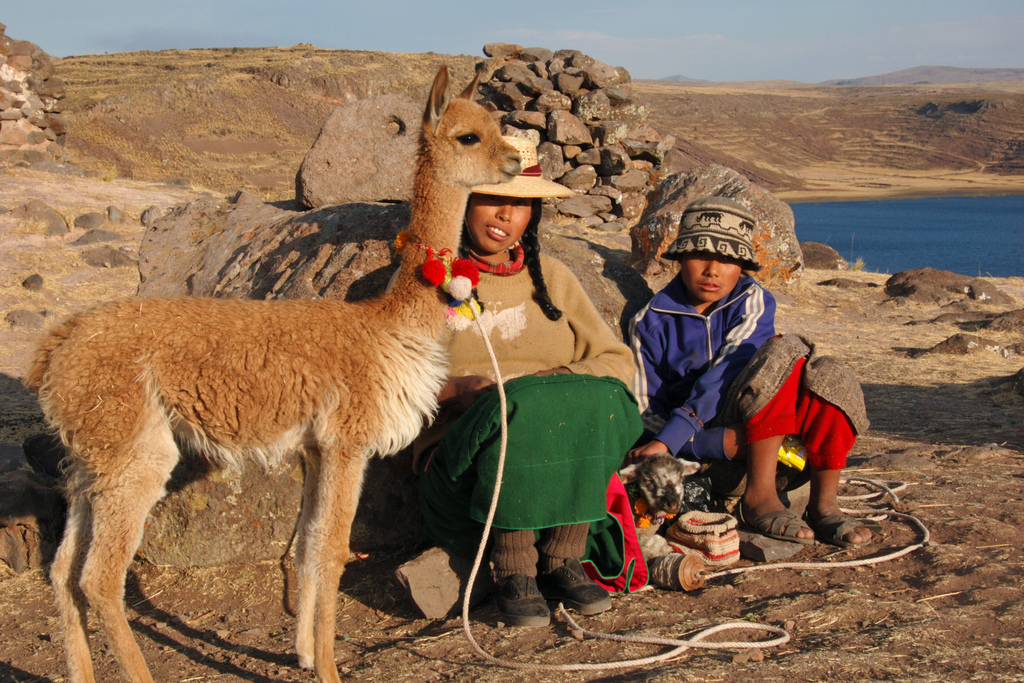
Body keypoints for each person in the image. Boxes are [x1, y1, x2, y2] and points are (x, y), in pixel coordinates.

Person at [416, 137, 642, 627]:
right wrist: (459, 391)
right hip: (463, 477)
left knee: (597, 398)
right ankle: (514, 567)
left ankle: (563, 555)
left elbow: (616, 361)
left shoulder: (553, 279)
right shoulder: (432, 282)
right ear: (465, 200)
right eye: (494, 197)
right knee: (525, 406)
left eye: (520, 204)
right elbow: (390, 376)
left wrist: (554, 379)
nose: (506, 215)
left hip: (557, 461)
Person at [627, 196, 876, 547]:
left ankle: (824, 505)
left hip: (773, 436)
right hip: (705, 456)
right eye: (700, 255)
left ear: (742, 266)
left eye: (728, 259)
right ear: (680, 256)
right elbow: (644, 409)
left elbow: (730, 370)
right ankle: (758, 497)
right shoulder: (649, 323)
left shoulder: (753, 300)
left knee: (822, 369)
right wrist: (694, 441)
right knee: (785, 350)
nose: (713, 270)